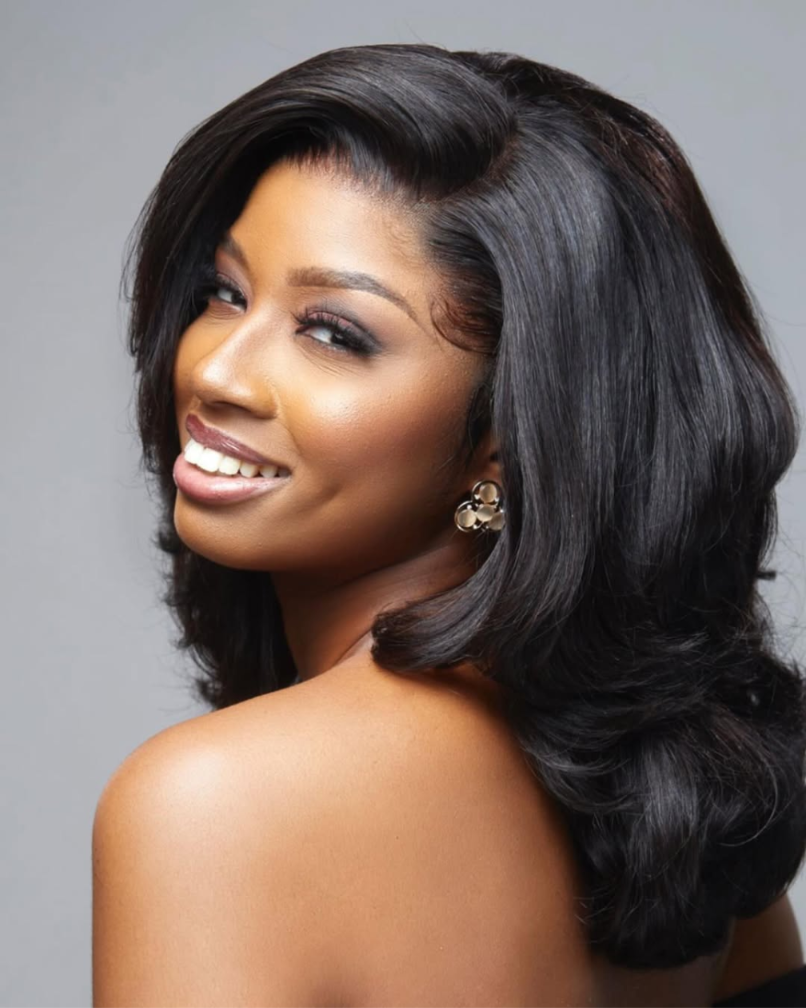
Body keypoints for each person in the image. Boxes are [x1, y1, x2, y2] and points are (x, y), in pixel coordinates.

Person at [92, 43, 806, 1006]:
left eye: (332, 333)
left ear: (504, 446)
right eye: (227, 292)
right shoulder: (682, 806)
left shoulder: (213, 807)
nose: (215, 371)